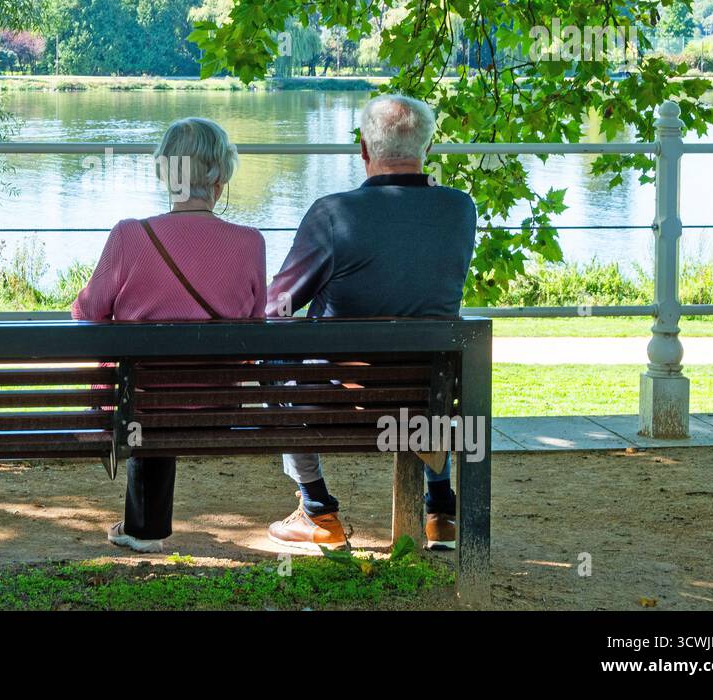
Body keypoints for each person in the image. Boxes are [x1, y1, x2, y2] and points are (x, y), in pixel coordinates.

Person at [265, 94, 477, 551]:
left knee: (280, 352)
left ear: (364, 149)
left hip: (341, 402)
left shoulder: (332, 214)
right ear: (428, 148)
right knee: (430, 361)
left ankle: (318, 510)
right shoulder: (460, 210)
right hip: (427, 399)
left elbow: (277, 305)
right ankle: (441, 511)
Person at [72, 117, 266, 553]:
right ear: (220, 176)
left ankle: (144, 529)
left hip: (138, 402)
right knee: (166, 387)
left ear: (165, 172)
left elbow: (87, 312)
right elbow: (255, 325)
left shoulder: (129, 234)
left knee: (144, 385)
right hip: (216, 403)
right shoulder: (251, 242)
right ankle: (143, 526)